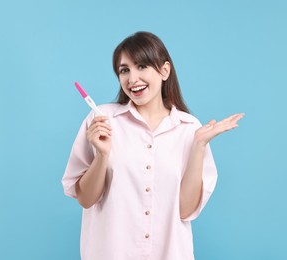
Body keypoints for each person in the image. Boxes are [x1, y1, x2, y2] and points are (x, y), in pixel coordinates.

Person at [62, 31, 244, 260]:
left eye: (142, 67)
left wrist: (198, 146)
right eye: (124, 70)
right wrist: (101, 156)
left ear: (164, 70)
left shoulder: (190, 128)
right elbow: (86, 199)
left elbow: (185, 210)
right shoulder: (102, 120)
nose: (132, 79)